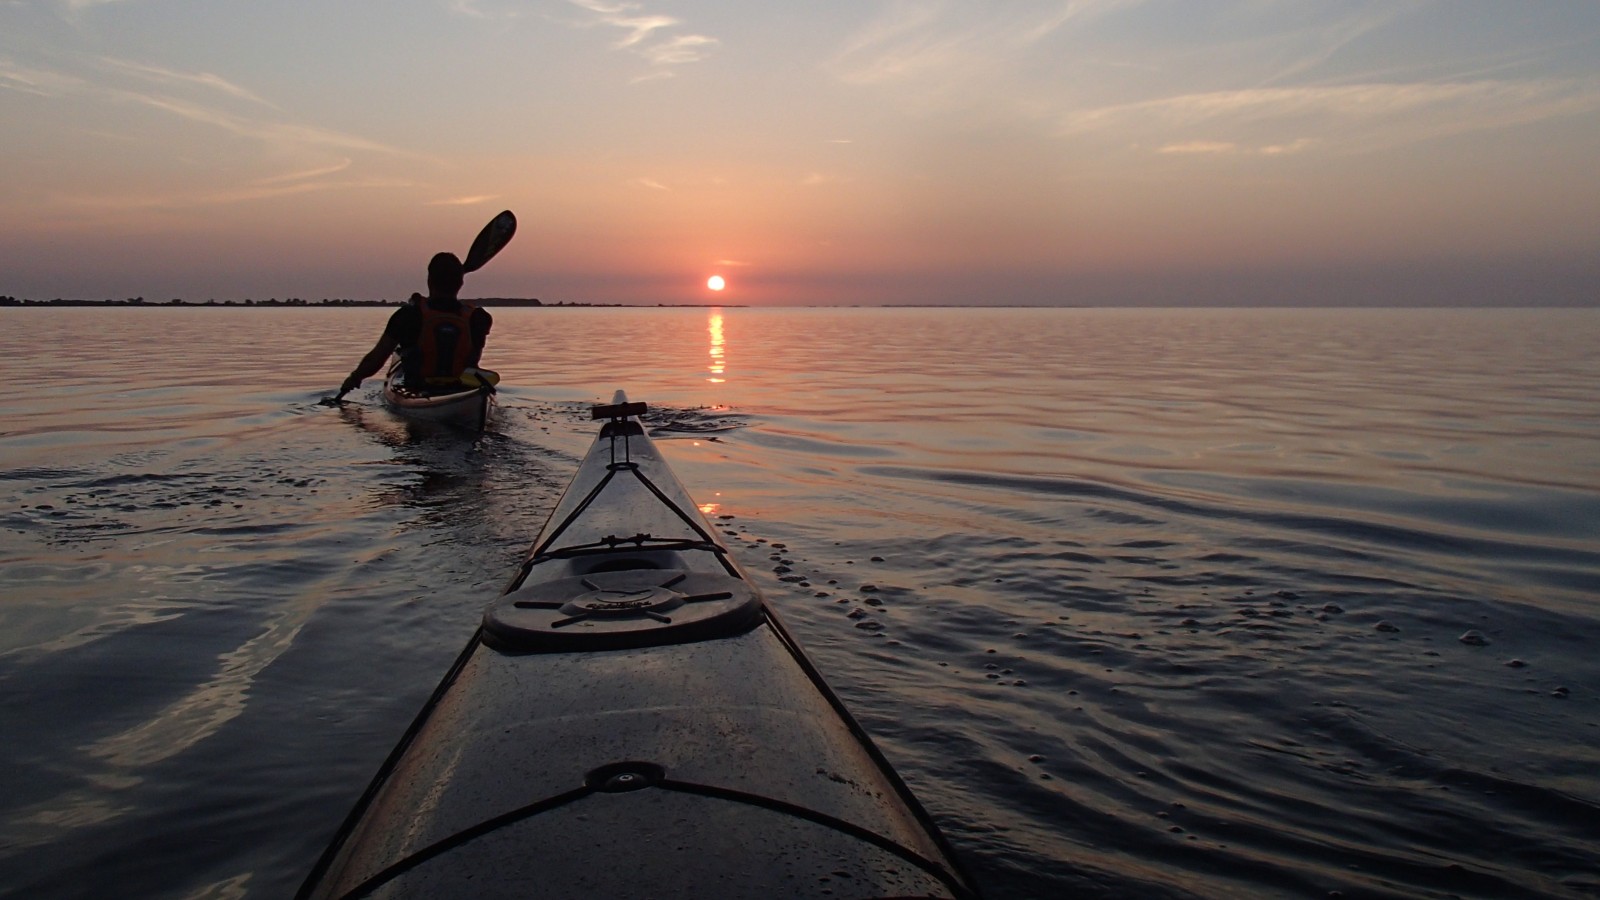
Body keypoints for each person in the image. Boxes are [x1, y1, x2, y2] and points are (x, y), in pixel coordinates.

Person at [339, 252, 493, 396]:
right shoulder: (480, 318)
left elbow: (376, 359)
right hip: (463, 391)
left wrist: (354, 378)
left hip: (418, 389)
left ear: (429, 281)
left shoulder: (408, 315)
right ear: (460, 283)